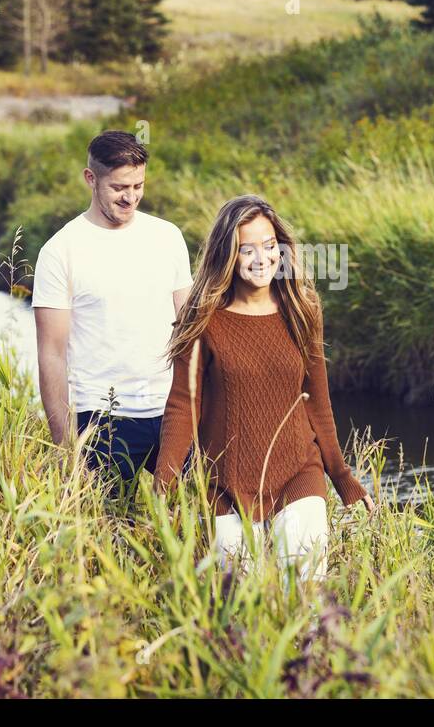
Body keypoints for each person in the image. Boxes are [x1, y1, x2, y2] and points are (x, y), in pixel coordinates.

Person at [153, 195, 374, 584]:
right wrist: (163, 487)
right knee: (239, 601)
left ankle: (310, 646)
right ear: (227, 255)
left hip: (297, 472)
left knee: (305, 592)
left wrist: (341, 476)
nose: (262, 258)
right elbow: (183, 407)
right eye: (247, 249)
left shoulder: (302, 309)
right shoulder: (203, 319)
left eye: (270, 246)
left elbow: (318, 405)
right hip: (224, 482)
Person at [32, 130, 192, 483]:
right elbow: (51, 354)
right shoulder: (61, 251)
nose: (130, 197)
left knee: (198, 521)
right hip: (102, 419)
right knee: (104, 530)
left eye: (138, 186)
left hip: (172, 410)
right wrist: (65, 447)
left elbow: (188, 329)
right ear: (91, 178)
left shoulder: (167, 237)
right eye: (119, 188)